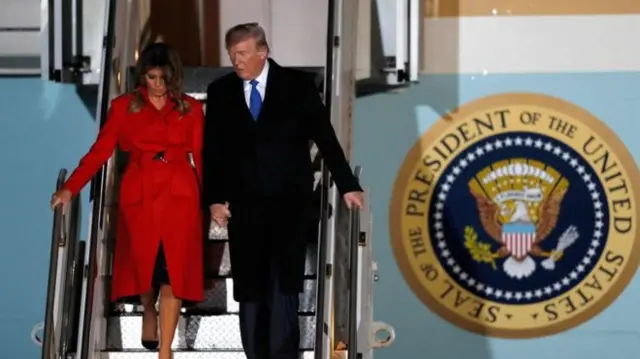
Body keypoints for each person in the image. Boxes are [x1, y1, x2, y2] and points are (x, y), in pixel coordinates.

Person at [202, 23, 364, 359]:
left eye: (243, 53)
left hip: (289, 205)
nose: (236, 60)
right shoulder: (220, 92)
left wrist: (348, 185)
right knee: (250, 290)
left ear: (263, 51)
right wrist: (215, 199)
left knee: (283, 285)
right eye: (232, 54)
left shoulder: (297, 86)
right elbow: (213, 151)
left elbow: (325, 137)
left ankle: (284, 353)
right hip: (244, 208)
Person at [50, 43, 204, 359]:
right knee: (144, 268)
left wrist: (215, 200)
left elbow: (203, 157)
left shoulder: (190, 108)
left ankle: (165, 350)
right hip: (141, 194)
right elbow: (100, 152)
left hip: (180, 197)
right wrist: (72, 188)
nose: (158, 84)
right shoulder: (124, 107)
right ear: (142, 76)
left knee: (173, 272)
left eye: (163, 77)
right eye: (151, 77)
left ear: (174, 76)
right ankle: (148, 308)